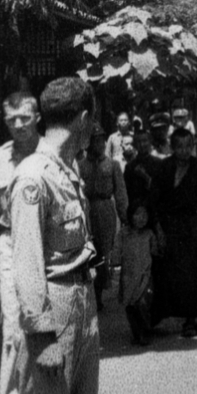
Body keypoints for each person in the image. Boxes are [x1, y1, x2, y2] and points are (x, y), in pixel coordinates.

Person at [7, 76, 108, 394]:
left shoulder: (67, 168)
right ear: (84, 119)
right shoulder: (33, 177)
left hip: (80, 299)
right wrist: (41, 332)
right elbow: (26, 262)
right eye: (94, 120)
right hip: (53, 306)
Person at [0, 91, 43, 394]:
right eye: (11, 119)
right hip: (10, 243)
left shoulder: (52, 153)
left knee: (44, 321)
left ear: (37, 116)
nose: (19, 124)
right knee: (12, 327)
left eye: (25, 117)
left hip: (45, 244)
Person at [151, 128, 197, 338]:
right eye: (179, 146)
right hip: (166, 224)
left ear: (192, 147)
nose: (183, 151)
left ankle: (190, 319)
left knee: (190, 272)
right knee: (164, 270)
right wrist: (158, 230)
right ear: (172, 147)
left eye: (187, 146)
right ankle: (159, 315)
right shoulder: (164, 167)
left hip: (189, 226)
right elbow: (153, 201)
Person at [79, 122, 128, 310]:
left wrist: (125, 217)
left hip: (106, 208)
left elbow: (120, 192)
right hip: (86, 209)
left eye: (101, 140)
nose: (98, 145)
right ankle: (91, 291)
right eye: (94, 141)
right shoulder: (80, 165)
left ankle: (99, 292)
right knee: (88, 251)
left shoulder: (112, 165)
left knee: (103, 252)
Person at [119, 200, 159, 346]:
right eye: (137, 214)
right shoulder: (123, 233)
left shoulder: (149, 234)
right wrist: (113, 264)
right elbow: (117, 251)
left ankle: (144, 331)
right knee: (130, 306)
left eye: (144, 215)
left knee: (142, 303)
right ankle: (136, 332)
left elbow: (155, 252)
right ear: (130, 216)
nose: (141, 218)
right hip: (128, 276)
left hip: (144, 276)